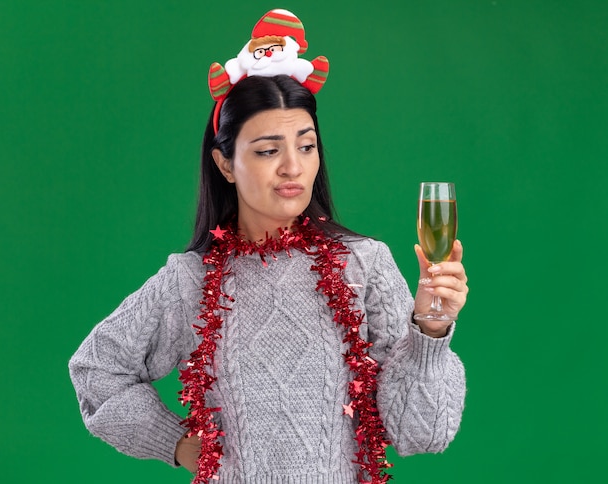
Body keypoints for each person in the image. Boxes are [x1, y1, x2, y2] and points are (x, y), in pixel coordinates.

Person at [69, 9, 468, 484]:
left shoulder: (364, 265)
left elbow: (421, 436)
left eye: (306, 146)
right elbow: (96, 370)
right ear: (225, 164)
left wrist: (430, 329)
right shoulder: (190, 280)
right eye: (266, 150)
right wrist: (173, 442)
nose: (292, 168)